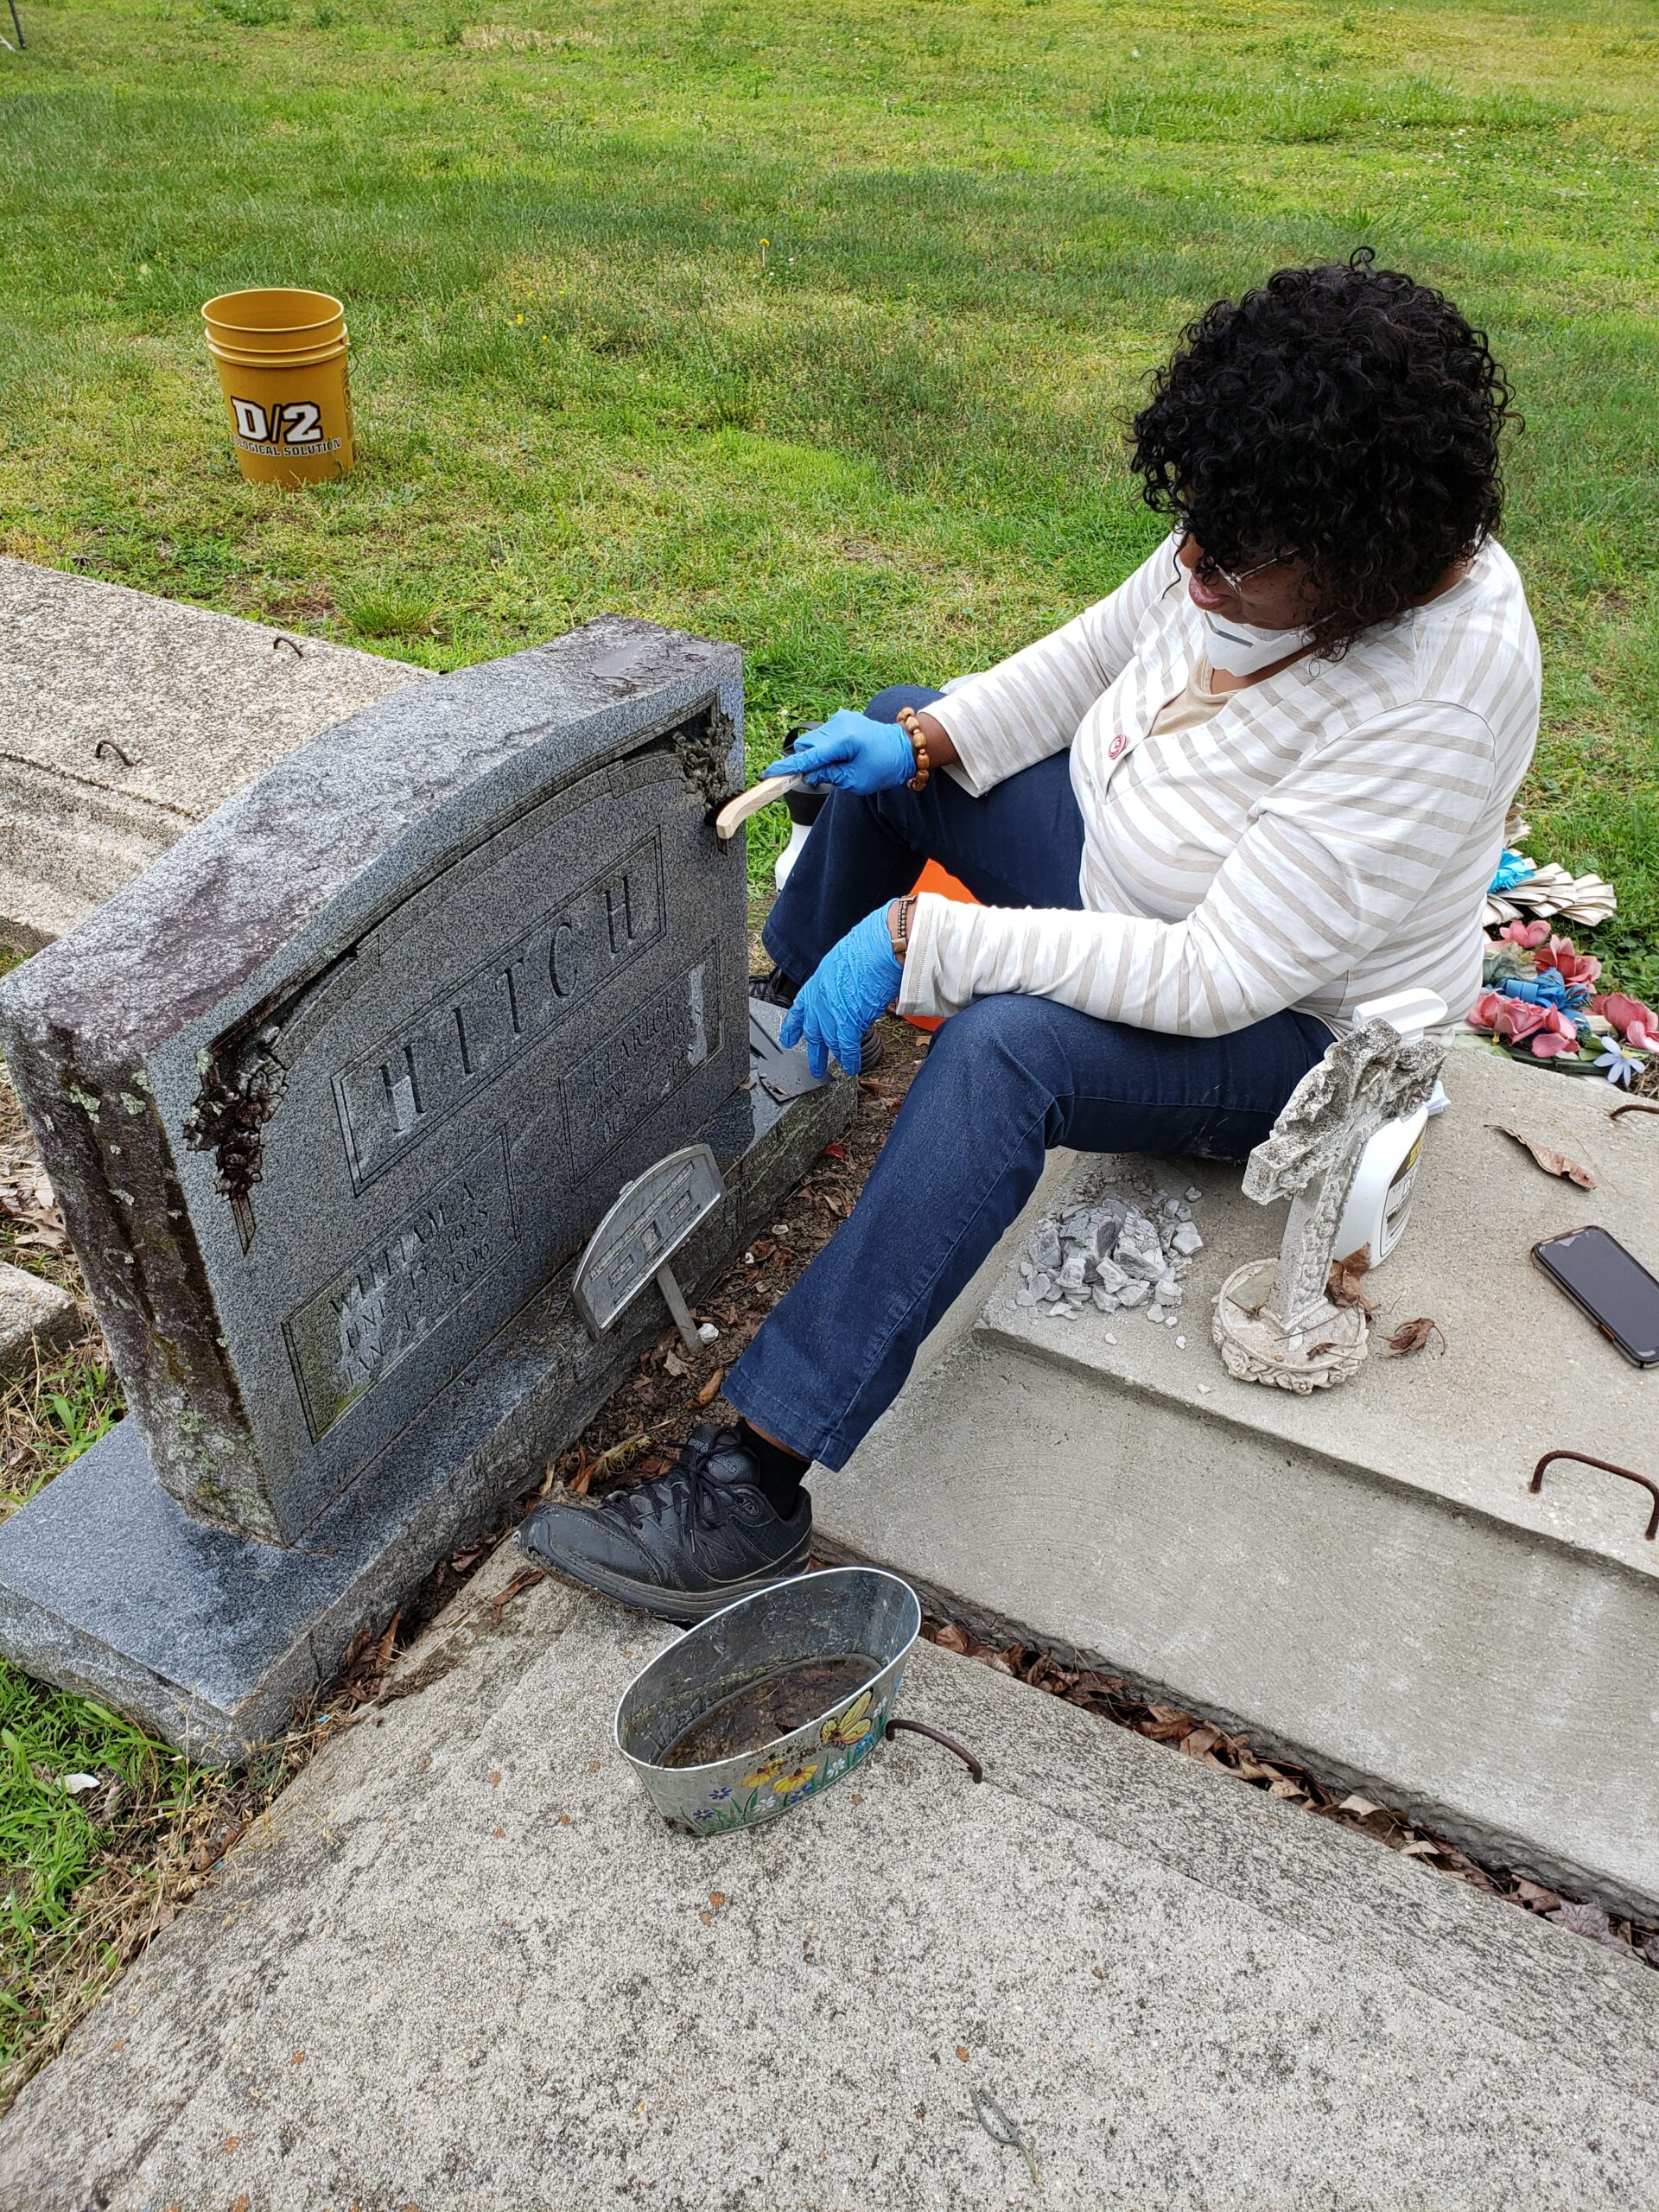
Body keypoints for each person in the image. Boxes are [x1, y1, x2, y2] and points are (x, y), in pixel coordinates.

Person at [524, 251, 1541, 1621]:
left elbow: (1216, 976)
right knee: (907, 744)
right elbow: (1094, 654)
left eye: (1231, 557)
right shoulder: (1272, 525)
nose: (1194, 566)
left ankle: (751, 1488)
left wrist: (928, 944)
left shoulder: (1434, 701)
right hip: (1152, 888)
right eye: (1193, 526)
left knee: (1005, 1050)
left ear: (1360, 564)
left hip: (1287, 1038)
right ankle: (782, 1040)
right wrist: (928, 737)